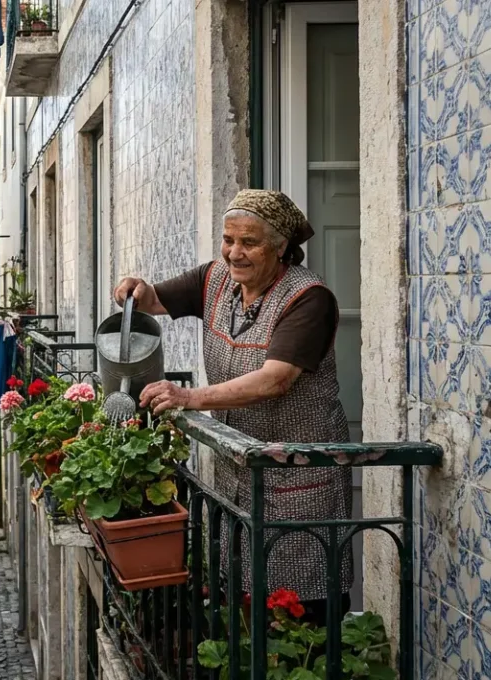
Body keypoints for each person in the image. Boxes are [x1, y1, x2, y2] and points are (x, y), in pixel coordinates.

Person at [112, 188, 351, 624]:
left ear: (281, 249)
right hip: (236, 471)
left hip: (297, 477)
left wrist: (189, 398)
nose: (234, 253)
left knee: (301, 609)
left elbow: (275, 379)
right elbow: (154, 301)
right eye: (228, 240)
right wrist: (136, 288)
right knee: (238, 604)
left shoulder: (308, 299)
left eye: (249, 243)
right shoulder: (215, 279)